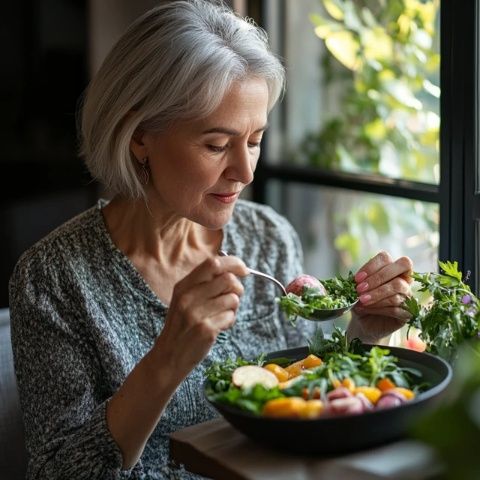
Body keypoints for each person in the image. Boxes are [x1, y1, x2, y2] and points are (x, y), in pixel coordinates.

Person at [9, 1, 413, 478]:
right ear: (140, 136)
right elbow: (60, 471)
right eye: (217, 145)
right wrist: (167, 359)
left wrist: (364, 335)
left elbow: (303, 398)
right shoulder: (52, 278)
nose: (244, 172)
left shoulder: (268, 238)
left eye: (256, 140)